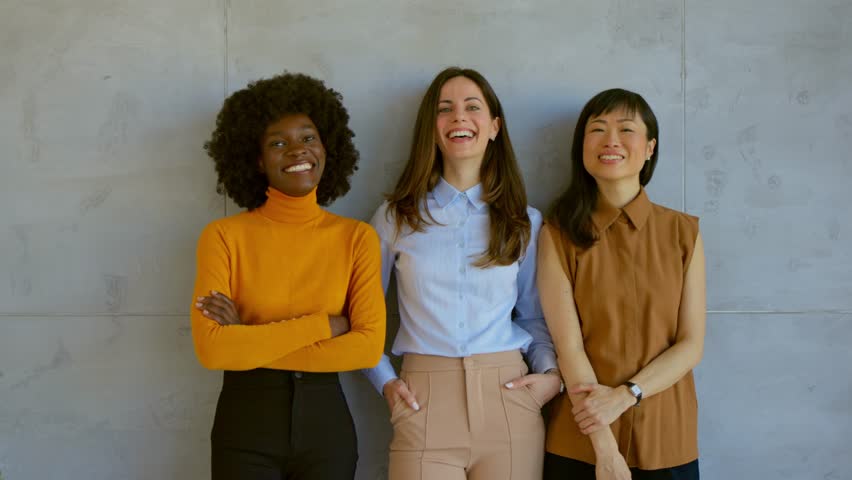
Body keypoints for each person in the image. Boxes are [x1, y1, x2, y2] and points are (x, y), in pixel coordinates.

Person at [363, 67, 562, 480]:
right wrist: (384, 380)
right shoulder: (395, 218)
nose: (459, 117)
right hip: (423, 400)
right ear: (431, 129)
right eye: (445, 109)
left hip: (510, 402)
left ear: (493, 127)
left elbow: (532, 315)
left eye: (473, 107)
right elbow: (361, 313)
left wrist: (550, 378)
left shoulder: (523, 222)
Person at [191, 72, 385, 480]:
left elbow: (366, 349)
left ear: (328, 147)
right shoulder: (224, 237)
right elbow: (213, 351)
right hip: (244, 429)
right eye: (278, 142)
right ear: (257, 160)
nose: (297, 150)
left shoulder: (356, 238)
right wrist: (324, 326)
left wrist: (247, 339)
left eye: (308, 137)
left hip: (326, 431)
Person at [538, 88, 706, 480]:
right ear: (582, 148)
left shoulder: (684, 233)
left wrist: (625, 395)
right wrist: (606, 449)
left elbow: (691, 343)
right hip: (581, 444)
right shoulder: (557, 232)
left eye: (625, 129)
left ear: (649, 148)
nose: (610, 140)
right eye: (597, 129)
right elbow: (569, 347)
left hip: (668, 438)